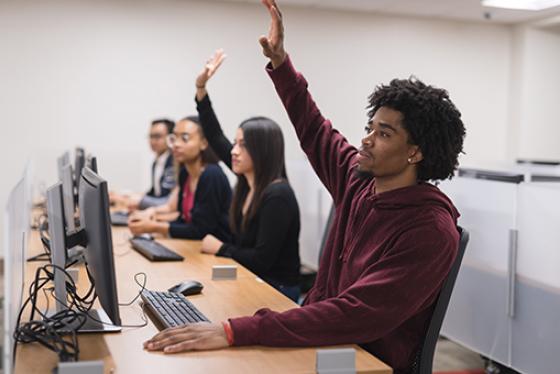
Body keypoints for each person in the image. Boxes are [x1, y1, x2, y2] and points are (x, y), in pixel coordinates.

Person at [143, 1, 466, 373]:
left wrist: (236, 330)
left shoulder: (430, 231)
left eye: (384, 133)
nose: (366, 139)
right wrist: (281, 64)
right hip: (324, 341)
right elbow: (314, 128)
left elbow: (355, 315)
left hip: (365, 361)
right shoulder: (358, 182)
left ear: (415, 153)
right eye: (370, 127)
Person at [194, 49, 302, 302]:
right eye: (235, 143)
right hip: (252, 277)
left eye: (243, 145)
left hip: (278, 289)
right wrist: (201, 87)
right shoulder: (247, 180)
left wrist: (221, 248)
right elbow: (214, 135)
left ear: (261, 151)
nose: (233, 151)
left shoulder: (278, 195)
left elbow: (262, 261)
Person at [129, 116, 232, 242]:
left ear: (204, 143)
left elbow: (201, 230)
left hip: (217, 252)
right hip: (196, 246)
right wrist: (152, 221)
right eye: (174, 138)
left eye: (185, 138)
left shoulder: (211, 175)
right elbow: (183, 219)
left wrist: (154, 226)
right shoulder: (185, 174)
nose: (176, 145)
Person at [111, 119, 176, 210]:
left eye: (157, 136)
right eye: (150, 136)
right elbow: (154, 193)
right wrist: (129, 196)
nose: (152, 141)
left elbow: (167, 200)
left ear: (171, 139)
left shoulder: (174, 163)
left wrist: (137, 200)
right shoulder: (156, 162)